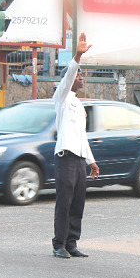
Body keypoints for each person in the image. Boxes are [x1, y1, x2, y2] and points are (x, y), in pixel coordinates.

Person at [52, 33, 100, 259]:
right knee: (64, 202)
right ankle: (58, 244)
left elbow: (82, 136)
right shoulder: (61, 98)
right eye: (78, 74)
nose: (81, 77)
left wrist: (91, 161)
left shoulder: (79, 105)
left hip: (79, 159)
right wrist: (78, 55)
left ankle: (72, 242)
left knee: (78, 204)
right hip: (66, 158)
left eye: (81, 74)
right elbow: (69, 73)